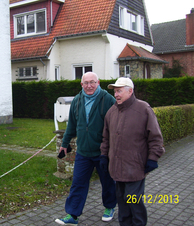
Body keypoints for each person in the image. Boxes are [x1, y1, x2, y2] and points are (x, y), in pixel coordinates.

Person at [100, 77, 165, 226]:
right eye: (115, 91)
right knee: (122, 201)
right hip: (116, 167)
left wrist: (153, 158)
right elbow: (106, 138)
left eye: (119, 91)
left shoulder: (143, 109)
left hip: (135, 167)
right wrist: (104, 156)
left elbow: (155, 137)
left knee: (133, 200)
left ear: (130, 91)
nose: (116, 95)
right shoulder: (111, 112)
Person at [55, 72, 117, 225]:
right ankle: (73, 215)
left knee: (107, 181)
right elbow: (71, 126)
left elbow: (116, 126)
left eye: (92, 82)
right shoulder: (77, 100)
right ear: (81, 84)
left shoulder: (108, 99)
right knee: (78, 183)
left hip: (102, 152)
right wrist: (64, 144)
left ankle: (109, 207)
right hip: (83, 152)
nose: (89, 86)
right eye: (86, 83)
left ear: (98, 83)